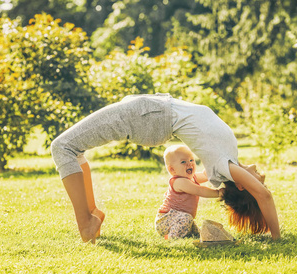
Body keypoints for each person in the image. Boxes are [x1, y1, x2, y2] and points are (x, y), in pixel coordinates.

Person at [51, 93, 280, 243]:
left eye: (259, 178)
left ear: (242, 185)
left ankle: (87, 224)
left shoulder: (226, 166)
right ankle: (91, 214)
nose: (262, 173)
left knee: (62, 147)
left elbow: (264, 196)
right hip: (152, 110)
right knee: (73, 148)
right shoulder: (226, 159)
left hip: (150, 115)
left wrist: (276, 237)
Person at [155, 145, 223, 239]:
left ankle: (182, 233)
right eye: (183, 162)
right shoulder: (179, 181)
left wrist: (214, 167)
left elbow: (205, 175)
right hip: (166, 220)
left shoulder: (192, 177)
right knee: (187, 219)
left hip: (180, 218)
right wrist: (218, 193)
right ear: (172, 169)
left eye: (191, 160)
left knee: (197, 233)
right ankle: (171, 236)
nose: (189, 164)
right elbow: (199, 190)